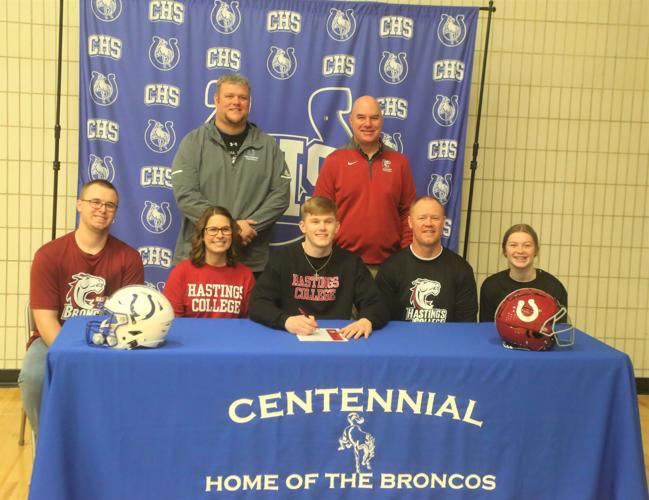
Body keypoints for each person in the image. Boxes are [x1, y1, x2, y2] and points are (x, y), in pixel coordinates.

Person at [19, 180, 144, 437]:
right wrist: (75, 357)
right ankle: (48, 447)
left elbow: (128, 319)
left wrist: (99, 355)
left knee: (137, 376)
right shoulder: (49, 255)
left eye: (110, 205)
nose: (102, 209)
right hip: (55, 339)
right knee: (34, 377)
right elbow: (45, 320)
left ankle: (109, 446)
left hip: (109, 341)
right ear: (79, 205)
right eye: (95, 202)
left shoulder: (129, 257)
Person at [170, 73, 290, 274]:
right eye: (229, 96)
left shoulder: (268, 146)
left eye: (242, 98)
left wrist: (249, 227)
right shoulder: (193, 143)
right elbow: (186, 195)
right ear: (216, 100)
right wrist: (231, 228)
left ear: (249, 103)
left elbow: (280, 196)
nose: (236, 102)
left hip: (250, 262)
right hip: (199, 259)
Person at [249, 196, 388, 339]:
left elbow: (376, 303)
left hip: (338, 340)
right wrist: (286, 321)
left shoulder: (351, 262)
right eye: (315, 221)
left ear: (337, 227)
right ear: (303, 226)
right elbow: (257, 303)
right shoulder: (283, 259)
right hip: (292, 337)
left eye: (328, 222)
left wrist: (367, 320)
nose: (322, 227)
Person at [313, 95, 416, 271]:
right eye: (361, 117)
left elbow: (409, 214)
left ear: (381, 121)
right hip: (341, 265)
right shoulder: (334, 161)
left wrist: (405, 257)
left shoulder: (400, 163)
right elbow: (319, 213)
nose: (368, 124)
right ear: (351, 120)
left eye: (374, 118)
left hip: (389, 267)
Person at [375, 196, 478, 323]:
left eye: (435, 218)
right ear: (410, 222)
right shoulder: (390, 268)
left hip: (446, 342)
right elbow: (380, 317)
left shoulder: (461, 269)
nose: (428, 223)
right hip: (403, 341)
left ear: (444, 222)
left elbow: (466, 324)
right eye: (422, 218)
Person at [163, 206, 255, 318]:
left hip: (230, 335)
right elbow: (172, 322)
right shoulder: (182, 272)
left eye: (225, 229)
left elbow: (249, 323)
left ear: (232, 234)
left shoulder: (245, 275)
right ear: (202, 235)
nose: (220, 235)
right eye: (213, 230)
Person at [479, 224, 568, 322]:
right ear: (505, 251)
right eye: (513, 245)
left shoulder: (553, 288)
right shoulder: (491, 286)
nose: (520, 251)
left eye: (527, 245)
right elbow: (485, 329)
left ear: (536, 251)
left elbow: (559, 330)